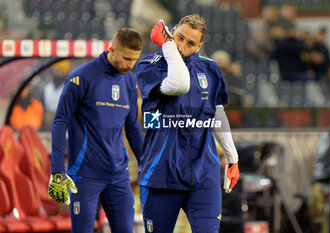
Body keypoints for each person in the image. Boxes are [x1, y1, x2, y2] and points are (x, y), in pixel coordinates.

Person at [136, 15, 240, 233]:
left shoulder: (210, 69)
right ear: (172, 31)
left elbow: (217, 113)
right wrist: (167, 45)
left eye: (190, 43)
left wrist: (232, 157)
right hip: (161, 175)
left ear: (200, 45)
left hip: (203, 175)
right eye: (179, 38)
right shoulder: (149, 65)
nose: (182, 46)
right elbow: (179, 84)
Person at [48, 27, 143, 233]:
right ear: (112, 49)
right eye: (127, 58)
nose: (131, 64)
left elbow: (133, 128)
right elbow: (60, 122)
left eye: (135, 60)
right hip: (85, 175)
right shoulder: (81, 77)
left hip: (119, 175)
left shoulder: (129, 81)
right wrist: (57, 171)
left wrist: (147, 165)